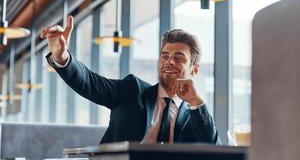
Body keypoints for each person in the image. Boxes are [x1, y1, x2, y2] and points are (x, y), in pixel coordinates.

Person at [40, 15, 221, 144]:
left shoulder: (194, 115)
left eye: (179, 57)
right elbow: (90, 83)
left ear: (194, 69)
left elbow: (217, 152)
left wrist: (197, 102)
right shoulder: (132, 90)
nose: (169, 62)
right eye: (165, 55)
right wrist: (62, 57)